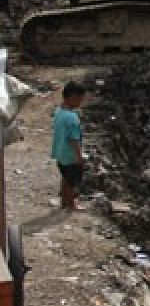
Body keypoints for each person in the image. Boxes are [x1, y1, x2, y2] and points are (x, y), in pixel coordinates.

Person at [52, 81, 87, 210]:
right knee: (72, 182)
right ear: (73, 97)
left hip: (60, 153)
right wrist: (79, 157)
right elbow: (74, 140)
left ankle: (64, 202)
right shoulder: (72, 117)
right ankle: (71, 204)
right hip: (71, 156)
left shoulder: (59, 112)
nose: (81, 103)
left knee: (65, 177)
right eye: (80, 99)